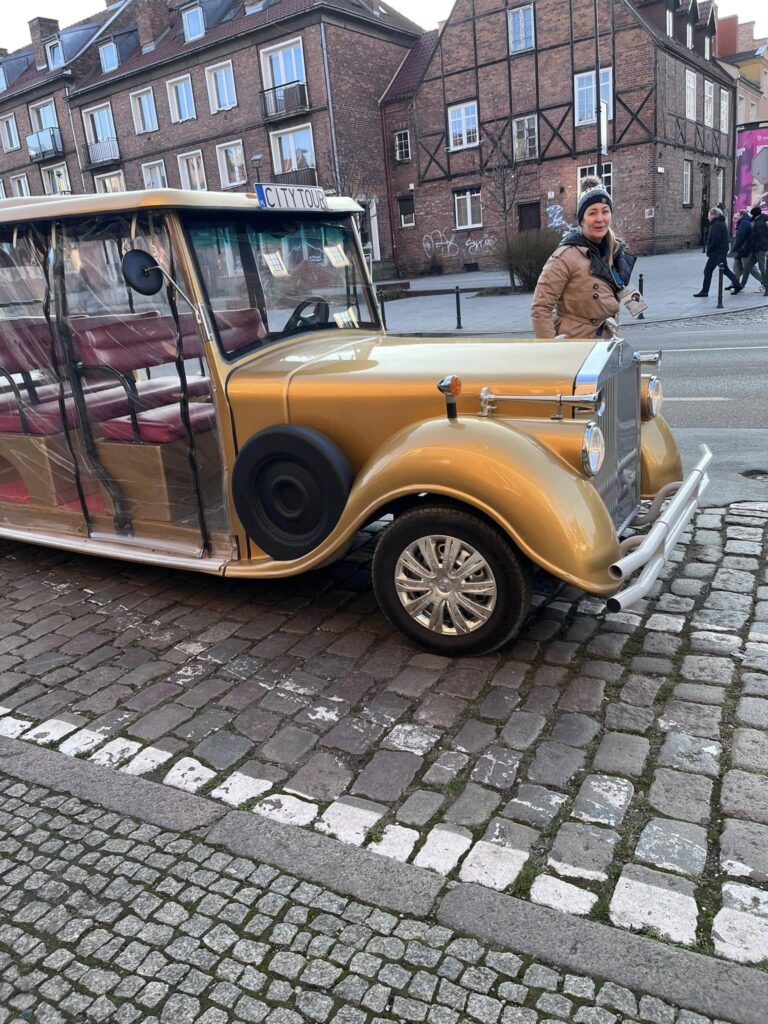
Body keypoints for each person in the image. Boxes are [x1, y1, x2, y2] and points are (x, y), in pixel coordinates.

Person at [531, 175, 635, 339]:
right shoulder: (565, 256)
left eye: (605, 211)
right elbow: (540, 308)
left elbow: (619, 289)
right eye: (592, 213)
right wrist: (550, 351)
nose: (600, 219)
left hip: (606, 340)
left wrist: (636, 304)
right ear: (582, 219)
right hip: (574, 346)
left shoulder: (613, 250)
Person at [693, 207, 742, 296]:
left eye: (709, 215)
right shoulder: (720, 223)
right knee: (725, 270)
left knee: (707, 271)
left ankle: (705, 291)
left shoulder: (717, 225)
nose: (708, 217)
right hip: (721, 251)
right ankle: (737, 284)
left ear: (713, 215)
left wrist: (710, 249)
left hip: (717, 252)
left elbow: (715, 239)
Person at [737, 205, 768, 295]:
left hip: (760, 249)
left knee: (761, 268)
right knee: (747, 266)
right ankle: (742, 285)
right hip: (756, 249)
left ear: (754, 214)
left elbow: (761, 238)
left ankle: (766, 286)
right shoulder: (759, 221)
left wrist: (757, 247)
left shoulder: (759, 224)